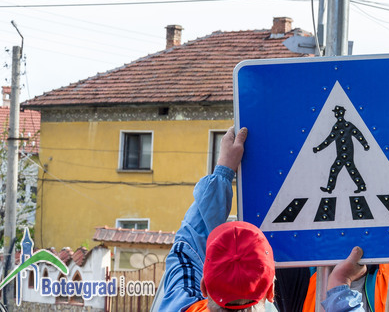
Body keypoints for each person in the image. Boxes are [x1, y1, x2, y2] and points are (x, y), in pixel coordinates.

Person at [154, 127, 375, 312]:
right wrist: (339, 286)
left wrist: (223, 172)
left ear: (204, 286)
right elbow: (189, 242)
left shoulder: (180, 306)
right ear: (271, 290)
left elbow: (188, 245)